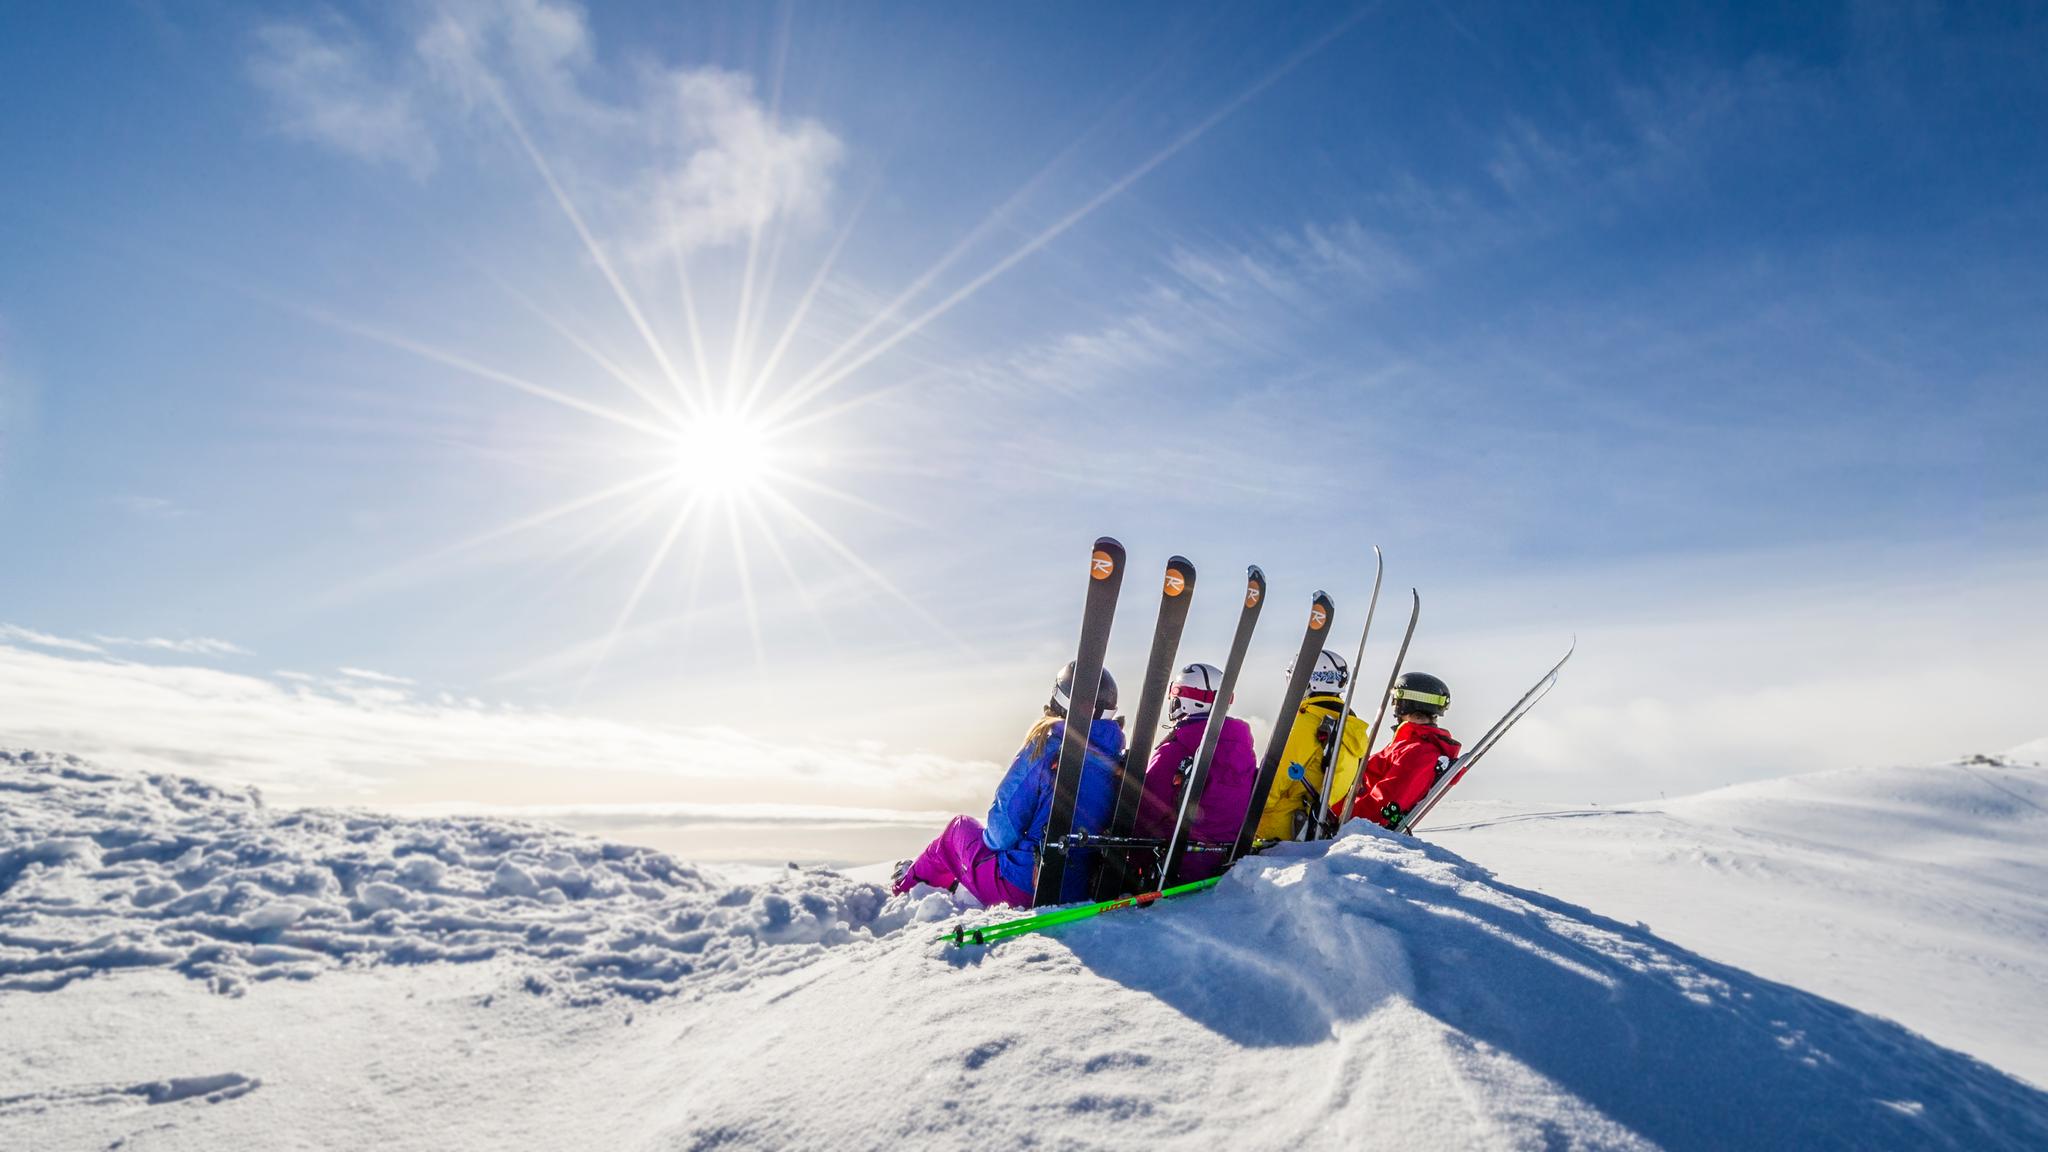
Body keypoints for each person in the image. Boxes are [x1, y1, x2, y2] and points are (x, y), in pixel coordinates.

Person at [892, 662, 1125, 907]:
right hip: (1079, 888)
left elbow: (1000, 834)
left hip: (1022, 887)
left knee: (957, 830)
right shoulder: (1116, 760)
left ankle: (906, 889)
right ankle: (946, 884)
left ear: (1060, 698)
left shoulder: (1048, 747)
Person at [1132, 663, 1259, 886]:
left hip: (1175, 864)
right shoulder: (1243, 748)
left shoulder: (1176, 748)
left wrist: (1131, 862)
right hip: (1226, 862)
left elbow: (1147, 808)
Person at [1250, 650, 1370, 841]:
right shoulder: (1349, 727)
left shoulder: (1306, 722)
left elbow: (1276, 775)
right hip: (1311, 828)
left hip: (1277, 828)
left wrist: (1247, 815)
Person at [1347, 672, 1462, 830]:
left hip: (1351, 824)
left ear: (1402, 703)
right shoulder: (1406, 744)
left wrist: (1336, 818)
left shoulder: (1419, 752)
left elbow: (1382, 805)